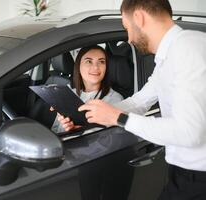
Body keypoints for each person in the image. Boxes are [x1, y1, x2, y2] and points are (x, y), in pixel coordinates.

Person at [78, 0, 206, 199]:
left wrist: (119, 118)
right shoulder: (171, 54)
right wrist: (91, 113)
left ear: (139, 17)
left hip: (198, 178)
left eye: (127, 27)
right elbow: (140, 101)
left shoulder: (186, 49)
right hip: (184, 172)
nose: (128, 39)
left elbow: (189, 133)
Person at [51, 45, 123, 133]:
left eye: (101, 62)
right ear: (78, 66)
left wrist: (78, 131)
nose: (96, 67)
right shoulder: (68, 93)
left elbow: (109, 138)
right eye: (89, 61)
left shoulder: (115, 99)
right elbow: (55, 130)